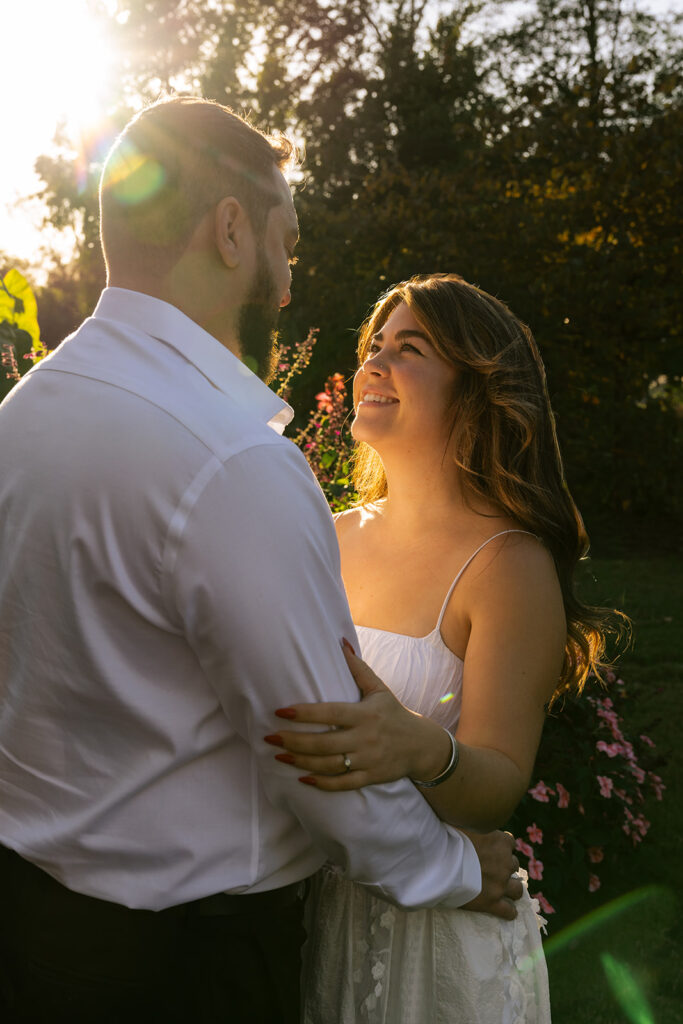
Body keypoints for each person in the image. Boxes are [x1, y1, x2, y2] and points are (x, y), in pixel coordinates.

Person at [0, 100, 521, 1024]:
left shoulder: (27, 414)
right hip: (179, 967)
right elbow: (315, 744)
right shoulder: (232, 458)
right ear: (231, 229)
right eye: (286, 243)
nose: (285, 285)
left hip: (31, 923)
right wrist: (447, 867)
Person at [266, 273, 621, 1022]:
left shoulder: (507, 564)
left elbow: (498, 782)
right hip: (319, 905)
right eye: (374, 346)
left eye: (409, 348)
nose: (374, 363)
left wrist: (417, 747)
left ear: (475, 387)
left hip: (436, 942)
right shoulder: (329, 534)